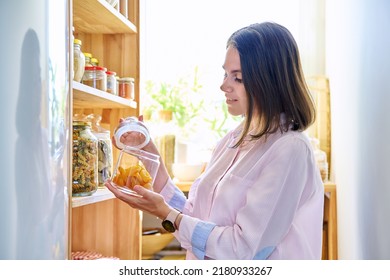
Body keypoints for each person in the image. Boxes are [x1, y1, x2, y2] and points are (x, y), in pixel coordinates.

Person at [105, 21, 324, 260]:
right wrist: (146, 149)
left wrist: (167, 214)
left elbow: (243, 250)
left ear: (269, 80)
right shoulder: (233, 140)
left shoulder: (290, 150)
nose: (223, 85)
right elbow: (195, 217)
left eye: (237, 78)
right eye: (225, 74)